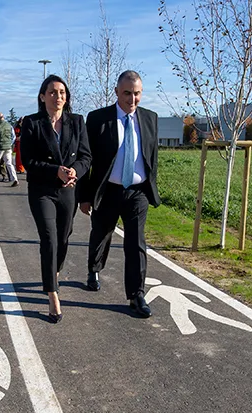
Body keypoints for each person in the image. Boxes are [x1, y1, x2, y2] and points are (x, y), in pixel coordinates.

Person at [78, 70, 161, 318]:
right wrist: (84, 196)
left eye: (136, 94)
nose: (132, 99)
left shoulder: (150, 118)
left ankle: (136, 294)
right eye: (127, 93)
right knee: (101, 234)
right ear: (116, 92)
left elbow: (152, 155)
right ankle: (94, 268)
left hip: (137, 192)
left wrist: (150, 186)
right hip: (108, 190)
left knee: (136, 243)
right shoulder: (97, 119)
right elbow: (86, 159)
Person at [20, 74, 91, 323]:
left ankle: (55, 271)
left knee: (63, 236)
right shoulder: (31, 123)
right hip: (41, 190)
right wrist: (55, 171)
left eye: (62, 92)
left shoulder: (77, 122)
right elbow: (28, 161)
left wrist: (75, 172)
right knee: (49, 238)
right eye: (52, 92)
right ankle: (53, 294)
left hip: (68, 190)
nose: (58, 96)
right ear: (42, 97)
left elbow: (85, 156)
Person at [0, 112, 19, 187]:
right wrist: (10, 143)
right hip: (8, 147)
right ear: (3, 117)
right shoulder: (9, 126)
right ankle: (15, 179)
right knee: (9, 163)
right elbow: (13, 136)